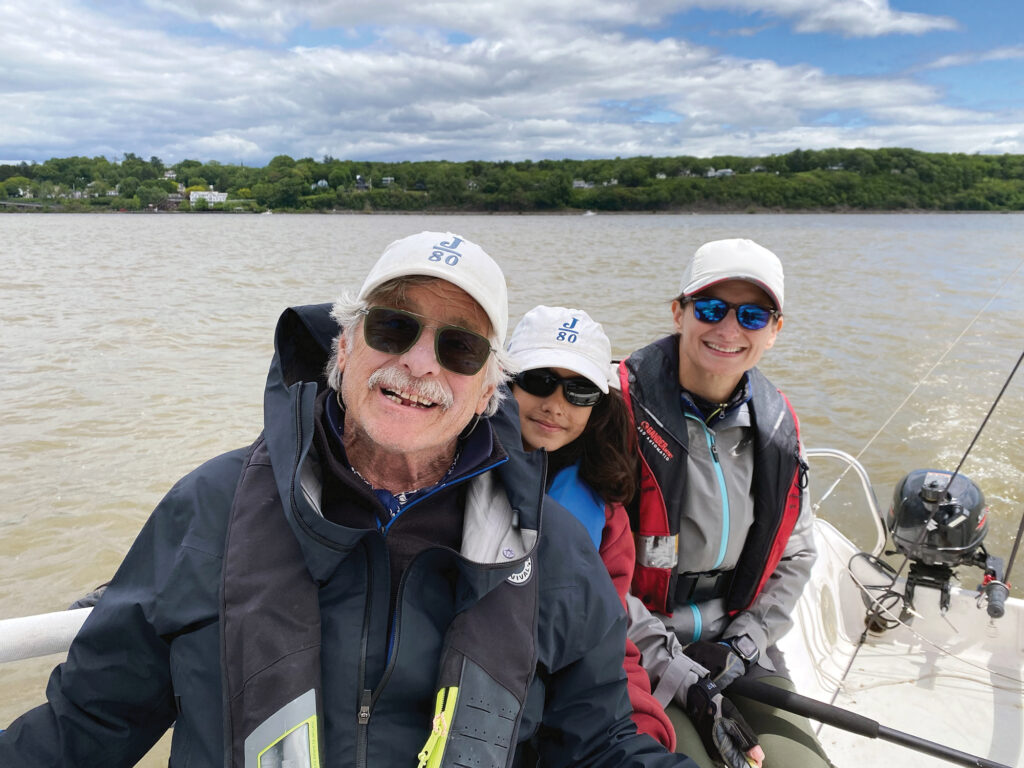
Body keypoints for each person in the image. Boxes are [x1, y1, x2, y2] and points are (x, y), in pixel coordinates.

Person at [0, 231, 697, 768]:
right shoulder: (210, 507)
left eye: (459, 349)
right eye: (394, 328)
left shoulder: (554, 548)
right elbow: (86, 724)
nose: (419, 363)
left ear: (489, 390)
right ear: (343, 347)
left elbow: (599, 743)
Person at [619, 238, 831, 768]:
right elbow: (590, 570)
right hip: (636, 645)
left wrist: (744, 646)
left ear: (775, 331)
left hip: (739, 640)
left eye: (753, 315)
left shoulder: (779, 427)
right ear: (678, 312)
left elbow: (796, 554)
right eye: (711, 308)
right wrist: (674, 669)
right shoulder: (613, 412)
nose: (729, 329)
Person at [504, 304, 675, 751]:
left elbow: (606, 638)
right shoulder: (448, 473)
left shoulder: (606, 515)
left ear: (598, 406)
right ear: (504, 381)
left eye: (579, 391)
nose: (555, 405)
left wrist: (642, 728)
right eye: (538, 380)